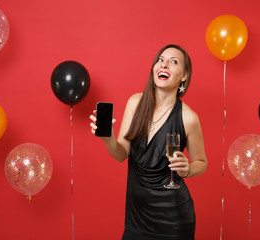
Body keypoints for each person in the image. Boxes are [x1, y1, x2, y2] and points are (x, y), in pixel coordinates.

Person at [89, 44, 207, 240]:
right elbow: (120, 154)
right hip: (136, 218)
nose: (164, 65)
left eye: (173, 62)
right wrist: (108, 137)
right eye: (161, 60)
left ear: (184, 75)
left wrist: (187, 170)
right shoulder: (136, 103)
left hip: (173, 220)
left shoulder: (188, 118)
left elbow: (201, 163)